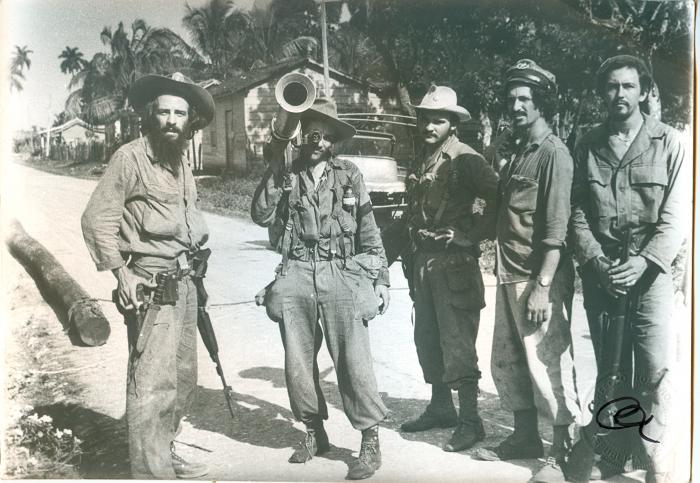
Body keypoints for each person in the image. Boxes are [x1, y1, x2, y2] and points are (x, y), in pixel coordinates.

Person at [81, 72, 214, 479]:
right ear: (150, 116)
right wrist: (122, 274)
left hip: (186, 282)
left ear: (189, 120)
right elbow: (96, 219)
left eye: (180, 113)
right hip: (151, 286)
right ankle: (152, 472)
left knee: (183, 378)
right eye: (165, 112)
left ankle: (163, 451)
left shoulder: (181, 162)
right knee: (152, 383)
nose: (172, 121)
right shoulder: (131, 157)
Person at [251, 97, 390, 480]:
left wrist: (381, 279)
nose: (320, 142)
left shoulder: (349, 175)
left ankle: (369, 439)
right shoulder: (287, 172)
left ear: (335, 143)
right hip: (296, 269)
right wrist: (276, 170)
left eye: (328, 137)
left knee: (352, 358)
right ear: (302, 133)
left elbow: (369, 231)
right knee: (297, 360)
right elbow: (259, 214)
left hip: (341, 271)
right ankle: (314, 431)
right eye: (314, 133)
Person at [569, 55, 686, 482]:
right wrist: (596, 261)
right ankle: (614, 454)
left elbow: (678, 216)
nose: (620, 94)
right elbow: (577, 209)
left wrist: (644, 261)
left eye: (628, 86)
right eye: (612, 87)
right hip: (603, 275)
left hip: (650, 276)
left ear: (644, 92)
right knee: (611, 368)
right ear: (603, 92)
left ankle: (657, 462)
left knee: (655, 372)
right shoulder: (587, 143)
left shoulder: (669, 142)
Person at [475, 59, 581, 482]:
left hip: (538, 278)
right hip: (507, 272)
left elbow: (556, 230)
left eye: (525, 98)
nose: (516, 105)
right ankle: (523, 437)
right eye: (512, 97)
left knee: (547, 363)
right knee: (508, 359)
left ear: (543, 103)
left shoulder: (554, 154)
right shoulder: (518, 151)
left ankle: (563, 452)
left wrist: (543, 286)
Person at [398, 85, 498, 453]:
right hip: (423, 262)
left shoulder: (467, 159)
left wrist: (469, 236)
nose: (429, 125)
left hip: (454, 265)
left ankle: (471, 421)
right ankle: (441, 407)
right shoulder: (423, 156)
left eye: (438, 120)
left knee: (457, 343)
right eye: (425, 118)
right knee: (427, 337)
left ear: (452, 124)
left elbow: (498, 199)